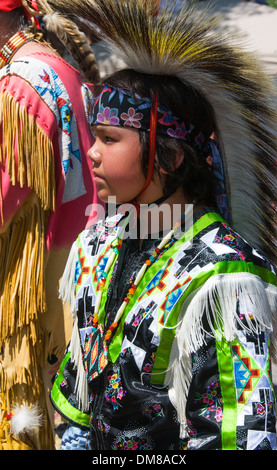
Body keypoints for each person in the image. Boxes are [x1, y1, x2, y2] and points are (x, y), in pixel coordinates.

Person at [49, 0, 277, 450]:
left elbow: (241, 432)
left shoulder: (225, 277)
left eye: (109, 139)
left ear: (171, 157)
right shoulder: (98, 243)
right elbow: (82, 393)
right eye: (93, 135)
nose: (91, 152)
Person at [0, 0, 103, 450]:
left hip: (38, 288)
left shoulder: (20, 86)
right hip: (80, 267)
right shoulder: (61, 66)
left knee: (25, 415)